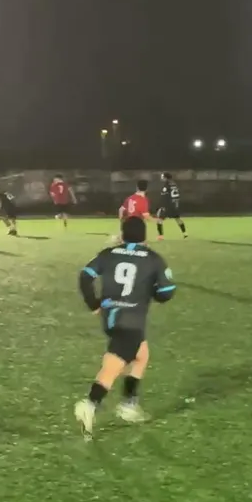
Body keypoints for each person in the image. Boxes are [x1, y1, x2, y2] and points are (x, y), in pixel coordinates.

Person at [74, 216, 175, 437]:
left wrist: (93, 304)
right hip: (132, 320)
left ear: (122, 235)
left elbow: (85, 276)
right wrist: (153, 292)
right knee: (114, 365)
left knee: (141, 355)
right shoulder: (153, 258)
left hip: (111, 317)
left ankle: (129, 403)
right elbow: (167, 292)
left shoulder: (108, 254)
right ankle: (90, 404)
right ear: (144, 236)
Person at [111, 179, 152, 243]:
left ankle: (121, 239)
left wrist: (122, 222)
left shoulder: (130, 198)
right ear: (147, 189)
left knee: (126, 242)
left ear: (137, 187)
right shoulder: (143, 200)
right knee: (142, 244)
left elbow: (121, 210)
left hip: (128, 223)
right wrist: (157, 220)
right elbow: (146, 216)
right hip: (138, 225)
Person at [155, 172, 187, 240]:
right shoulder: (174, 184)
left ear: (165, 177)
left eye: (162, 176)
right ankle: (185, 233)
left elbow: (164, 196)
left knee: (159, 220)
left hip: (168, 205)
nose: (161, 178)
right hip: (175, 204)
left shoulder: (166, 185)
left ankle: (160, 236)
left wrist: (162, 206)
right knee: (178, 219)